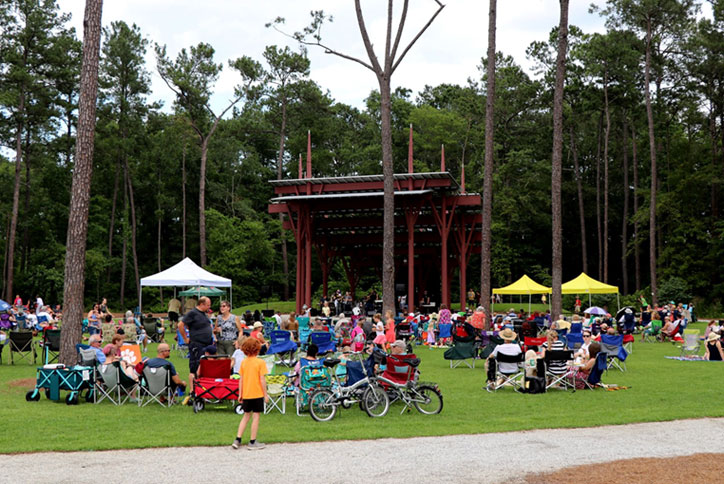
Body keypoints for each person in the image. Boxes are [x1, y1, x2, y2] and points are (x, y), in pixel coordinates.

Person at [232, 338, 269, 450]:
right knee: (256, 416)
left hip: (247, 393)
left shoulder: (244, 362)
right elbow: (262, 379)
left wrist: (240, 393)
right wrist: (265, 394)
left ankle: (237, 439)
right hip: (257, 393)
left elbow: (241, 379)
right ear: (257, 349)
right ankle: (252, 441)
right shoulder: (260, 362)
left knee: (246, 416)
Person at [178, 297, 214, 389]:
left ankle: (202, 387)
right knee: (194, 367)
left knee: (204, 366)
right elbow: (180, 325)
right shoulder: (193, 313)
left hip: (206, 344)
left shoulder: (204, 314)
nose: (209, 307)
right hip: (197, 344)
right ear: (201, 304)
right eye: (208, 305)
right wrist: (185, 338)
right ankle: (192, 390)